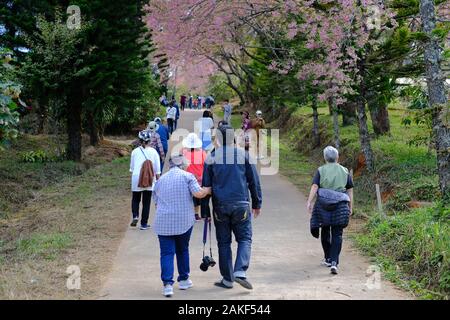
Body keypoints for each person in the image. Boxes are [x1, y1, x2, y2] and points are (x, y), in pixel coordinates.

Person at [202, 124, 262, 290]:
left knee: (223, 242)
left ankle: (228, 279)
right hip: (241, 204)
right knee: (244, 239)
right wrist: (257, 203)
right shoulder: (244, 155)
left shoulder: (211, 157)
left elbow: (206, 186)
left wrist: (205, 210)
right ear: (234, 139)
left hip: (220, 206)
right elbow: (254, 182)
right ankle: (240, 271)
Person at [153, 155, 211, 297]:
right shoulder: (188, 176)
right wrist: (208, 190)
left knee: (166, 253)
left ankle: (167, 285)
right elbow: (198, 193)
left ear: (170, 165)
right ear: (183, 165)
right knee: (182, 249)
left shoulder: (160, 180)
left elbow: (156, 203)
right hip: (183, 221)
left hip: (163, 222)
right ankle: (184, 280)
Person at [306, 146, 354, 275]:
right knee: (337, 233)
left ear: (325, 158)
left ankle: (327, 258)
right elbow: (349, 190)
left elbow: (315, 186)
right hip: (341, 205)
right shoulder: (345, 171)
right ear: (337, 157)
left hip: (323, 205)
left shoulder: (321, 170)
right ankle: (334, 262)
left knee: (325, 229)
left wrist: (309, 201)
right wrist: (351, 207)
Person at [130, 131, 161, 230]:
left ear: (139, 140)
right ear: (149, 140)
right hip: (149, 179)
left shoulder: (134, 152)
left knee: (135, 199)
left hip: (136, 178)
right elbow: (157, 170)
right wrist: (158, 181)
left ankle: (135, 215)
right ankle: (143, 224)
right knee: (146, 202)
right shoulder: (153, 152)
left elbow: (132, 168)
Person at [182, 133, 207, 221]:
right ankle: (197, 214)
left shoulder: (184, 152)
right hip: (199, 178)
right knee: (198, 197)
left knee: (188, 196)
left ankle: (188, 213)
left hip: (187, 178)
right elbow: (206, 165)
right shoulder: (202, 153)